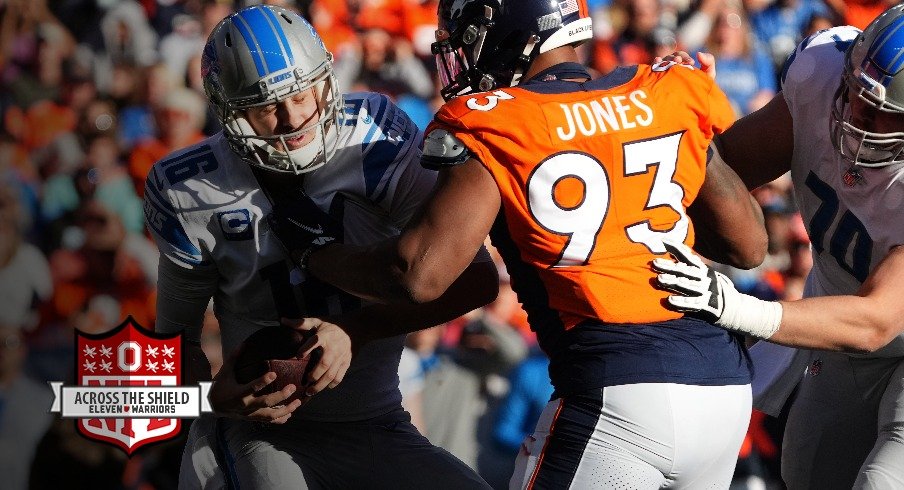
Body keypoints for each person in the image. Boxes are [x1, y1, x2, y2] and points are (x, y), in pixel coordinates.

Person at [270, 0, 771, 487]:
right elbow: (748, 247)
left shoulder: (495, 119)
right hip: (722, 393)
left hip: (617, 396)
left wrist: (317, 252)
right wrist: (681, 139)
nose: (464, 56)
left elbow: (418, 274)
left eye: (469, 39)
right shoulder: (666, 89)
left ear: (512, 31)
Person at [145, 5, 497, 489]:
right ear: (229, 110)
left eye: (301, 92)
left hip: (377, 421)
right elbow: (172, 346)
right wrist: (207, 399)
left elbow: (473, 280)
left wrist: (356, 331)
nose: (293, 119)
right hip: (259, 436)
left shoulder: (375, 136)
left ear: (327, 78)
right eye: (265, 105)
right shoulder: (189, 188)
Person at [651, 5, 904, 488]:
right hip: (839, 327)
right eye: (853, 93)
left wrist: (740, 309)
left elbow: (876, 321)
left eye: (879, 112)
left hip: (876, 325)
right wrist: (683, 119)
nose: (854, 114)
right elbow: (722, 174)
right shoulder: (823, 72)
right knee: (807, 474)